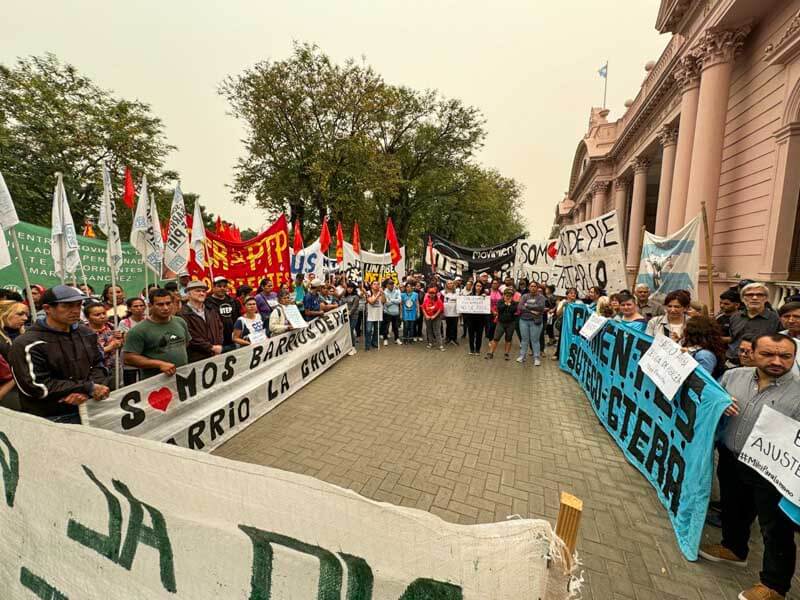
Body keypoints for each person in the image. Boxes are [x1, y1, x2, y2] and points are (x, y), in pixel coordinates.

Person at [699, 333, 800, 600]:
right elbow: (709, 401)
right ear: (752, 353)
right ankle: (734, 549)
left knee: (775, 528)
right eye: (768, 354)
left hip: (774, 472)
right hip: (732, 457)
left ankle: (774, 586)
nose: (777, 361)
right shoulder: (735, 377)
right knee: (734, 507)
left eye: (785, 356)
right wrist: (718, 407)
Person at [9, 285, 110, 423]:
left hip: (89, 409)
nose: (75, 311)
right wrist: (88, 387)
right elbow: (36, 386)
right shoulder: (27, 343)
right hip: (50, 418)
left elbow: (99, 365)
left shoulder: (86, 333)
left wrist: (92, 390)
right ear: (47, 309)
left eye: (78, 305)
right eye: (66, 306)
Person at [123, 288, 191, 380]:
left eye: (168, 303)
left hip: (182, 378)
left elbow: (185, 344)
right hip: (155, 383)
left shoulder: (180, 322)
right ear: (150, 305)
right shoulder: (138, 330)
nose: (165, 308)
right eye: (160, 304)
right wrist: (159, 364)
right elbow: (128, 358)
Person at [725, 282, 781, 367]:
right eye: (750, 295)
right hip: (732, 364)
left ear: (766, 298)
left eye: (759, 295)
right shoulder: (735, 317)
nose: (754, 298)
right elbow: (733, 339)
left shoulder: (775, 319)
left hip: (758, 367)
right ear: (743, 299)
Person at [179, 280, 224, 363]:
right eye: (198, 291)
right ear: (188, 293)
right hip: (197, 358)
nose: (202, 293)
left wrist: (218, 345)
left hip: (216, 354)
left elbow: (220, 328)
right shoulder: (182, 314)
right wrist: (211, 347)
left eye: (203, 291)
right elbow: (190, 336)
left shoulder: (211, 310)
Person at [84, 301, 123, 372]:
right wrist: (110, 347)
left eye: (104, 313)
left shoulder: (112, 327)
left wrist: (120, 339)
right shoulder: (84, 332)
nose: (102, 316)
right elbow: (87, 353)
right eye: (97, 315)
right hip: (95, 370)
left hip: (114, 368)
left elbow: (121, 347)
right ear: (88, 317)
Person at [206, 276, 241, 352]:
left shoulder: (233, 301)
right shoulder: (207, 303)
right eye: (219, 286)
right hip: (218, 342)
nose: (222, 288)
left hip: (233, 338)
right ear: (213, 287)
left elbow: (238, 318)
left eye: (224, 286)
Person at [517, 281, 546, 365]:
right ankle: (522, 356)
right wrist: (533, 310)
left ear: (537, 288)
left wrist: (527, 305)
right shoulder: (525, 296)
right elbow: (520, 307)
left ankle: (536, 358)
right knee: (524, 340)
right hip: (523, 321)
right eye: (531, 286)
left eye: (535, 286)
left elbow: (540, 307)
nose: (533, 288)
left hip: (535, 321)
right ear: (529, 287)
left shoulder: (541, 297)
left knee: (535, 340)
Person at [485, 288, 518, 361]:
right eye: (506, 295)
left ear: (512, 296)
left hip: (511, 323)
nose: (508, 297)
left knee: (508, 339)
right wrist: (506, 304)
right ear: (503, 295)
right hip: (501, 323)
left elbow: (514, 310)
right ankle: (490, 353)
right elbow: (499, 309)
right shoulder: (500, 301)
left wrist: (509, 305)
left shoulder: (514, 303)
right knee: (496, 338)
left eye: (510, 295)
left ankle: (506, 354)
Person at [463, 280, 488, 356]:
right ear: (474, 286)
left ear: (482, 287)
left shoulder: (485, 296)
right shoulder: (470, 295)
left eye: (480, 286)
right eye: (477, 286)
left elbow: (487, 306)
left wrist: (485, 297)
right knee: (471, 334)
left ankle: (477, 350)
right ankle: (471, 349)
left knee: (479, 335)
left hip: (481, 319)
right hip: (471, 319)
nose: (478, 287)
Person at [421, 285, 445, 351]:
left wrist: (435, 316)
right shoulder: (426, 300)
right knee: (429, 330)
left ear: (435, 293)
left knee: (437, 331)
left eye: (433, 293)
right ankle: (430, 343)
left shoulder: (439, 300)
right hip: (428, 317)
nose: (432, 294)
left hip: (437, 317)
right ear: (428, 293)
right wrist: (426, 315)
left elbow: (440, 309)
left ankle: (440, 345)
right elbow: (423, 308)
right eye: (430, 293)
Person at [381, 279, 402, 346]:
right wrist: (394, 301)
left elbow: (399, 300)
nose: (392, 285)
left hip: (395, 312)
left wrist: (391, 300)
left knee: (395, 327)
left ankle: (397, 339)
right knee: (386, 327)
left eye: (393, 283)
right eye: (390, 284)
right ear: (387, 285)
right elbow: (386, 303)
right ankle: (385, 339)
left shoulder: (397, 291)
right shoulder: (385, 292)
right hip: (387, 312)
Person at [364, 280, 383, 351]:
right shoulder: (368, 293)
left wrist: (382, 294)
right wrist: (378, 295)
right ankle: (367, 345)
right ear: (371, 285)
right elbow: (371, 302)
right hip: (370, 315)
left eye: (378, 284)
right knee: (368, 330)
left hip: (378, 314)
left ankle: (374, 342)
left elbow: (384, 301)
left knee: (376, 330)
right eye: (374, 284)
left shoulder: (381, 293)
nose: (376, 285)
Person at [442, 280, 459, 345]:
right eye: (448, 283)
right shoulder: (443, 292)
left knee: (454, 326)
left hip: (455, 312)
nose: (450, 284)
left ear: (453, 284)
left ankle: (454, 339)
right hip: (447, 312)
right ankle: (448, 338)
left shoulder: (457, 292)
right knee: (448, 326)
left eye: (451, 283)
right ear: (446, 285)